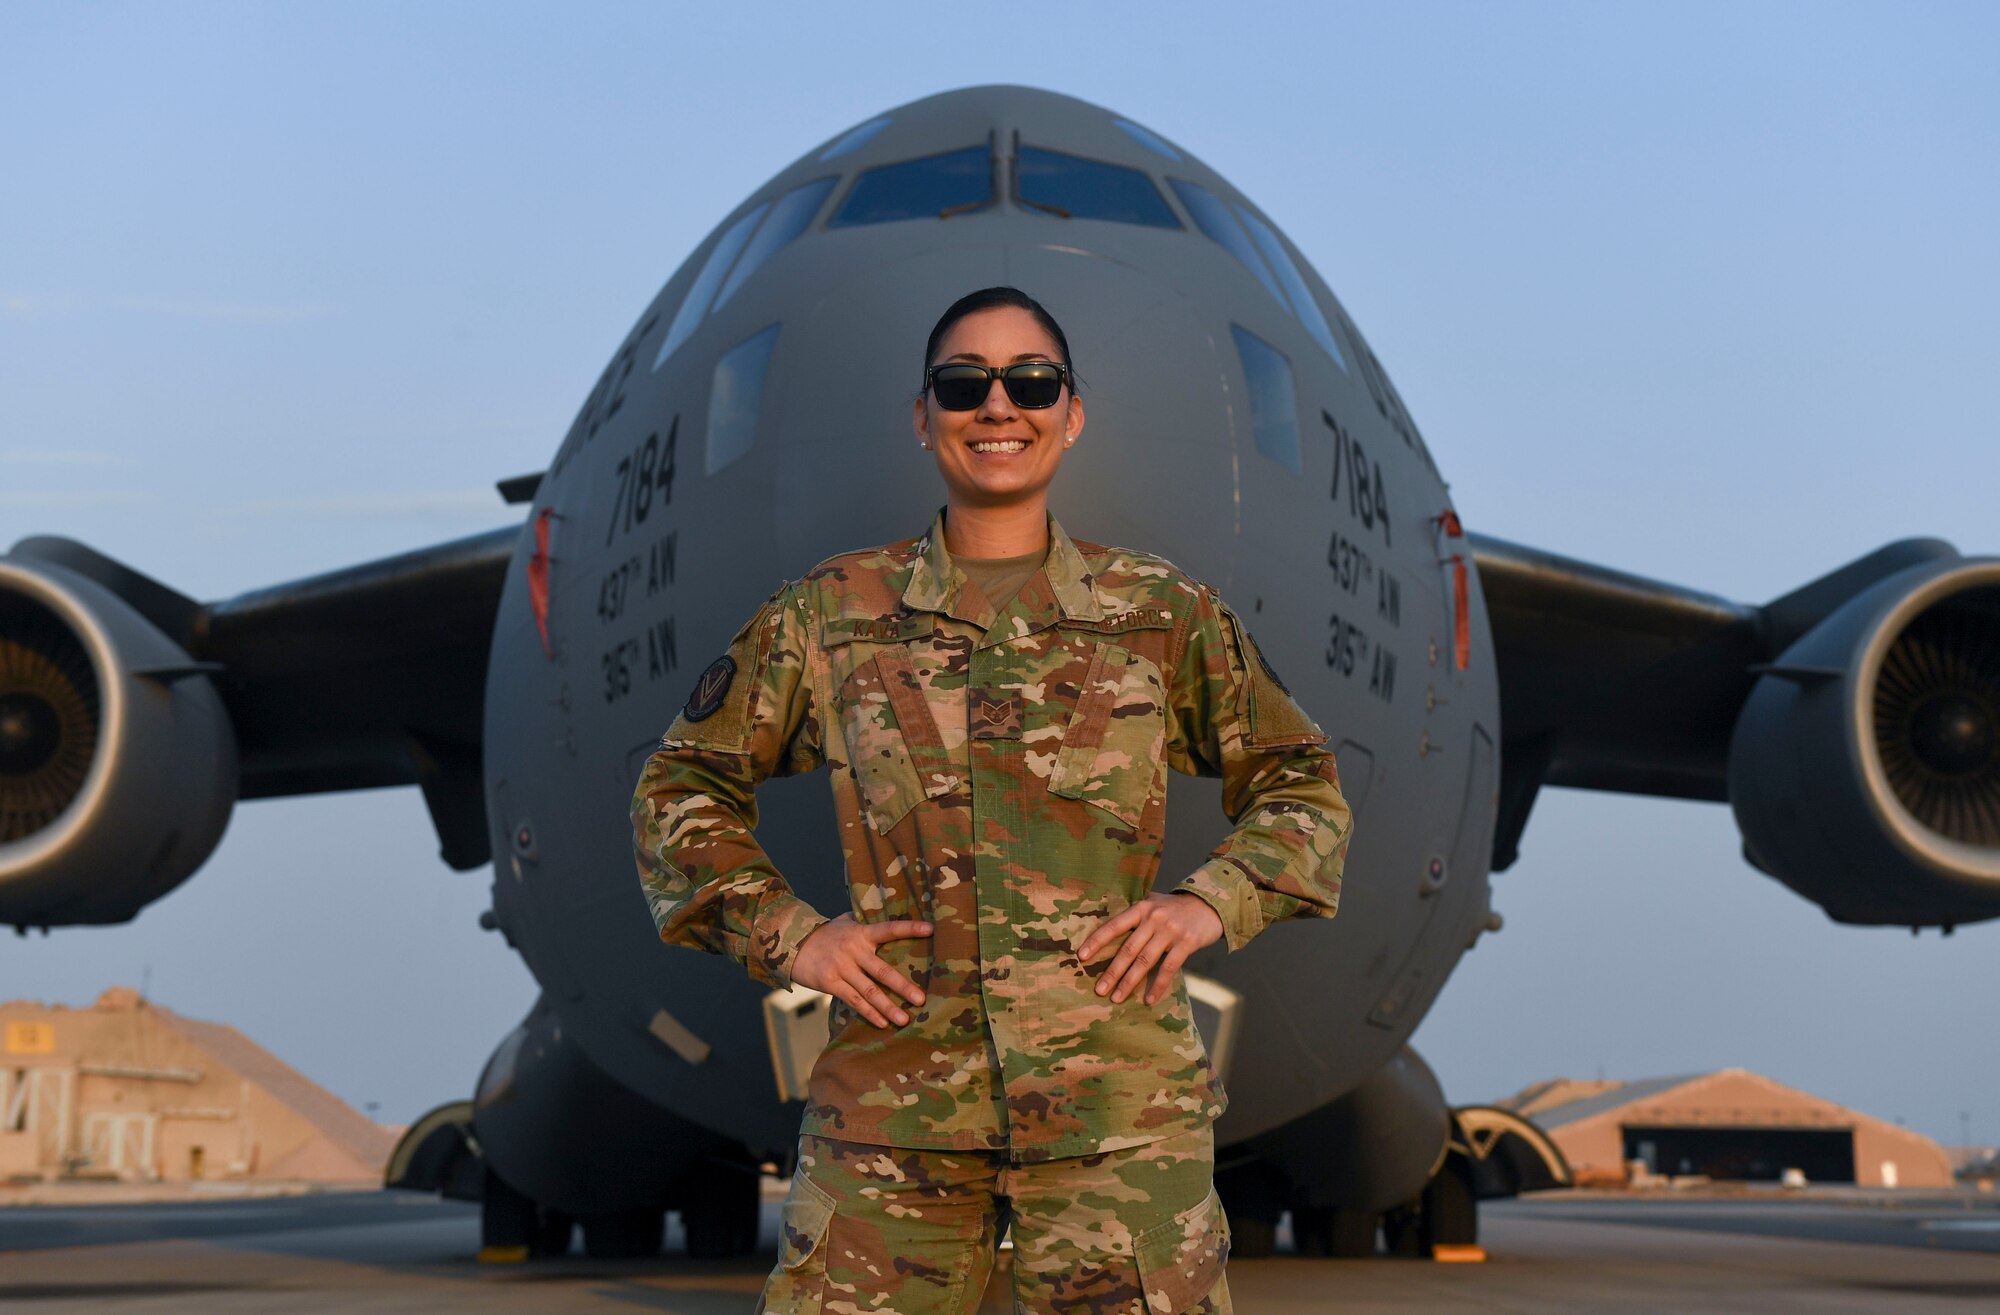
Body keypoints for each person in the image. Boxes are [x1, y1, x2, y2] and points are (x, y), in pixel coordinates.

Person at [631, 286, 1350, 1313]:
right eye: (963, 385)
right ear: (923, 416)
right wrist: (790, 935)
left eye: (1031, 382)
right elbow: (679, 786)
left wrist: (1211, 901)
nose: (996, 407)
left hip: (1113, 1122)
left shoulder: (1158, 612)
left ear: (1070, 412)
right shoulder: (834, 614)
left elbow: (1301, 784)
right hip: (891, 1119)